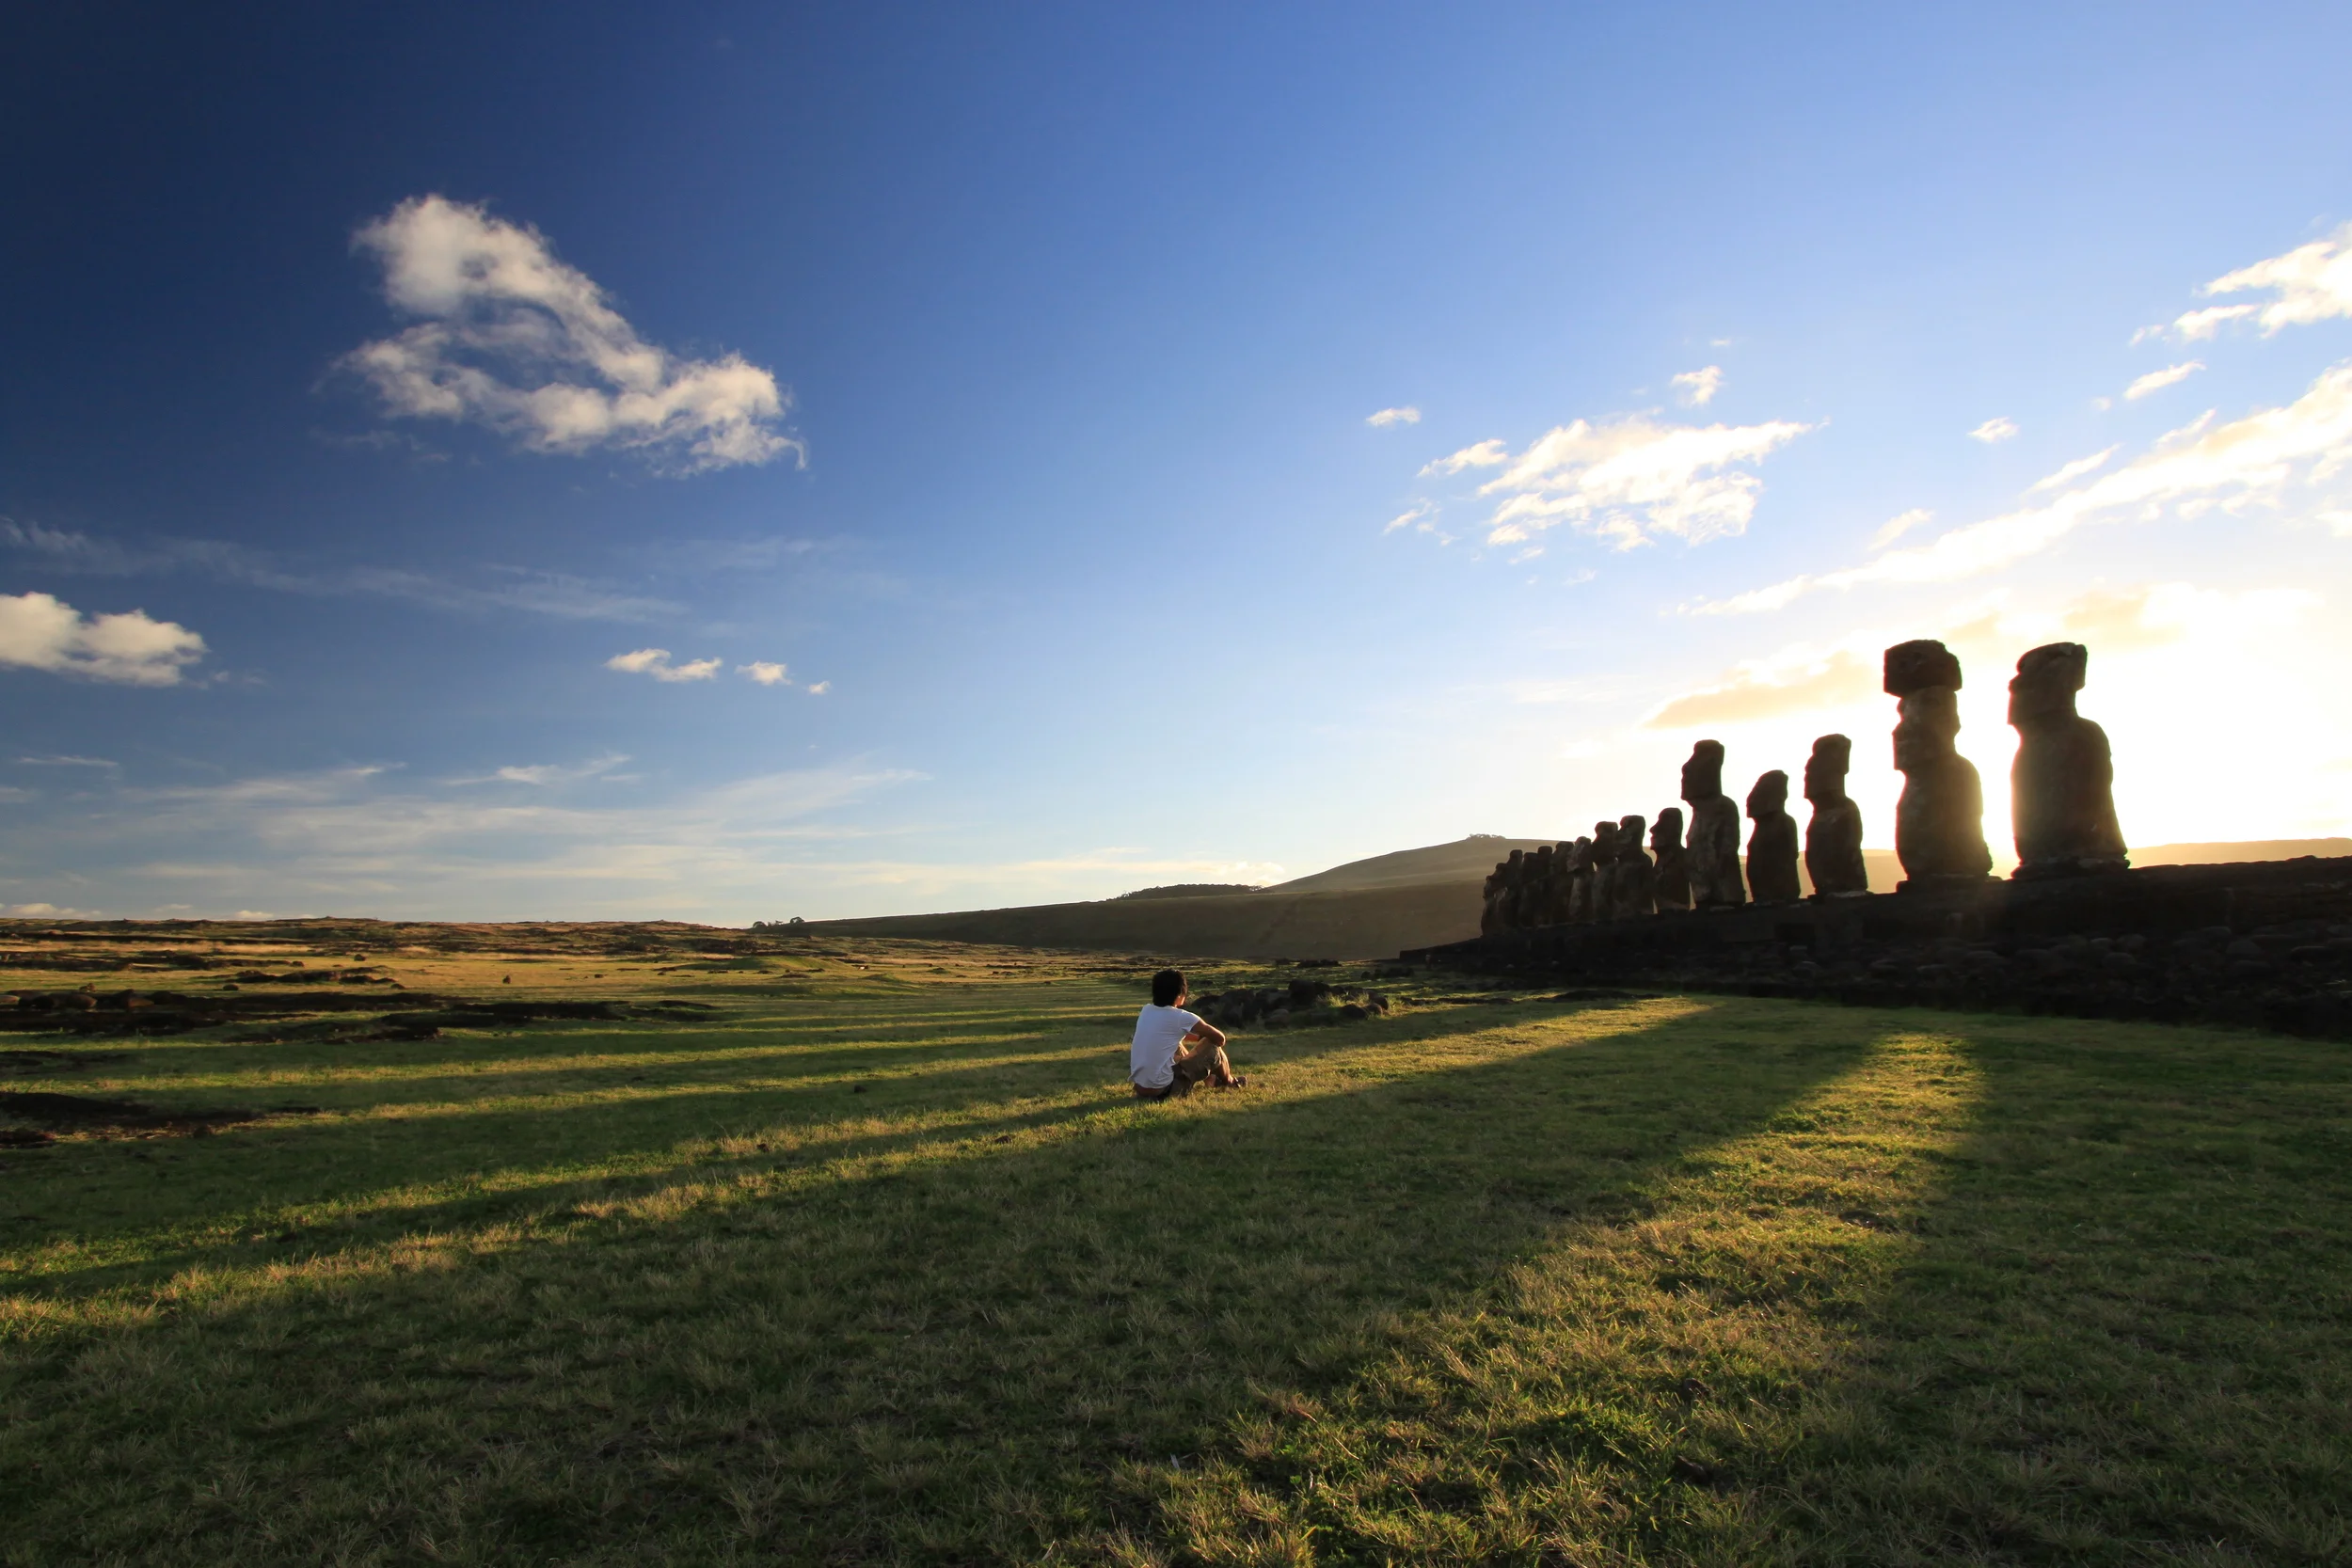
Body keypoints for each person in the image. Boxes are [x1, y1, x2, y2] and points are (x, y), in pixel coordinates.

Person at [1129, 968, 1245, 1101]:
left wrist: (1197, 1040)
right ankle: (1230, 1082)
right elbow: (1220, 1039)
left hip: (1141, 1089)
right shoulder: (1181, 1017)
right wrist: (1203, 1039)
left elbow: (1169, 1034)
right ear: (1180, 995)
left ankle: (1210, 1079)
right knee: (1212, 1046)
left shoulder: (1147, 1010)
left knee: (1176, 1043)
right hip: (1165, 1091)